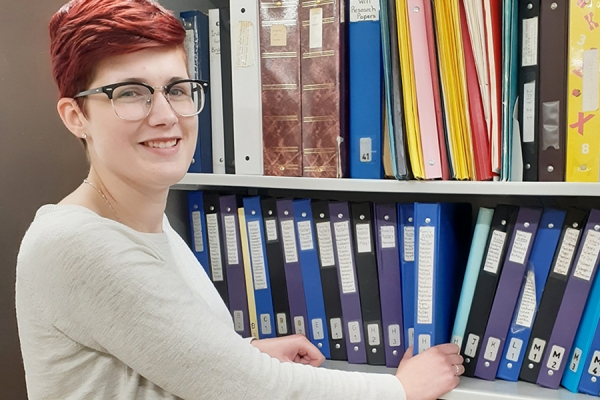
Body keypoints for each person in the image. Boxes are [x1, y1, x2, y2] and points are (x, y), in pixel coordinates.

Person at [15, 0, 464, 398]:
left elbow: (141, 354)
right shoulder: (79, 244)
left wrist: (240, 352)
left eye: (176, 88)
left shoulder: (143, 217)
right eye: (131, 93)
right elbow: (253, 391)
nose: (166, 115)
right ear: (76, 116)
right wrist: (402, 389)